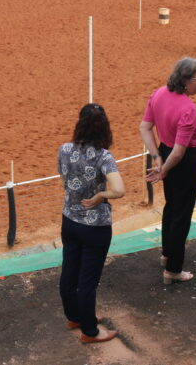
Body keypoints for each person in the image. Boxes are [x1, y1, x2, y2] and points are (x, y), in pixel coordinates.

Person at [59, 103, 125, 344]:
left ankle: (74, 317)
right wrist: (100, 196)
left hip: (69, 220)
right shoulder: (103, 156)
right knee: (88, 280)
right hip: (95, 227)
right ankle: (90, 331)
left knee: (69, 272)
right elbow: (119, 190)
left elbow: (64, 178)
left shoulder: (65, 149)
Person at [139, 57, 196, 285]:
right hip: (186, 162)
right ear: (186, 80)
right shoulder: (188, 109)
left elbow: (145, 128)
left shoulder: (159, 93)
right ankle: (173, 270)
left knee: (171, 206)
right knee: (182, 214)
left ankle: (167, 254)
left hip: (165, 152)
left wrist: (158, 159)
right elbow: (179, 152)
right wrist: (164, 170)